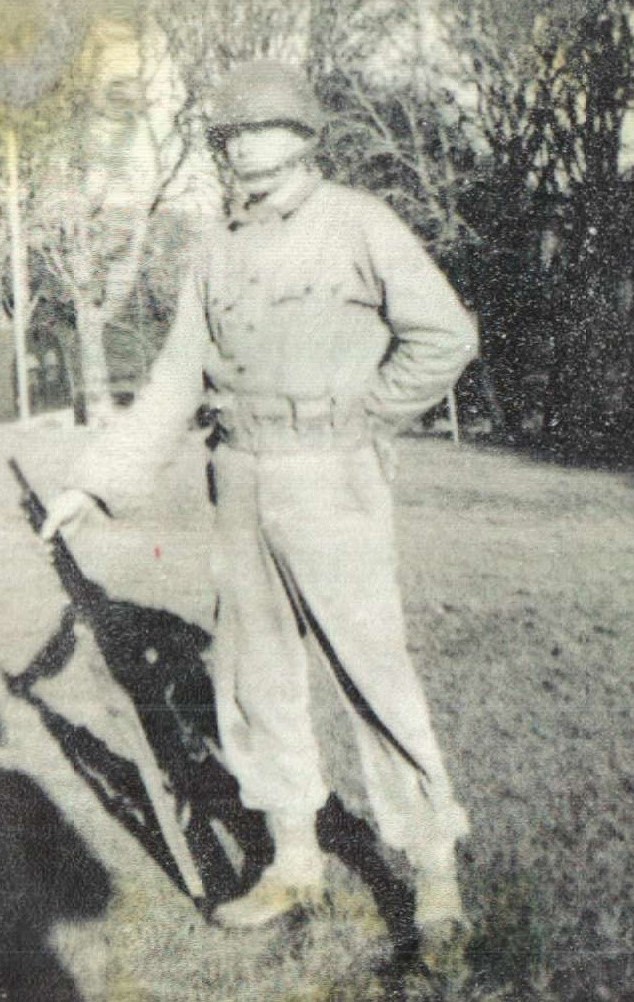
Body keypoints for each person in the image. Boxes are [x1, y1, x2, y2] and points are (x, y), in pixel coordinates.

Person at [42, 61, 478, 962]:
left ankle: (433, 870)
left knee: (373, 671)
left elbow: (445, 336)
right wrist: (96, 481)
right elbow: (176, 377)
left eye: (263, 129)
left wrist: (369, 414)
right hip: (238, 475)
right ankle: (292, 859)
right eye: (232, 134)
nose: (246, 146)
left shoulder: (361, 223)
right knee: (253, 677)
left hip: (333, 478)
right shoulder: (217, 248)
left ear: (306, 137)